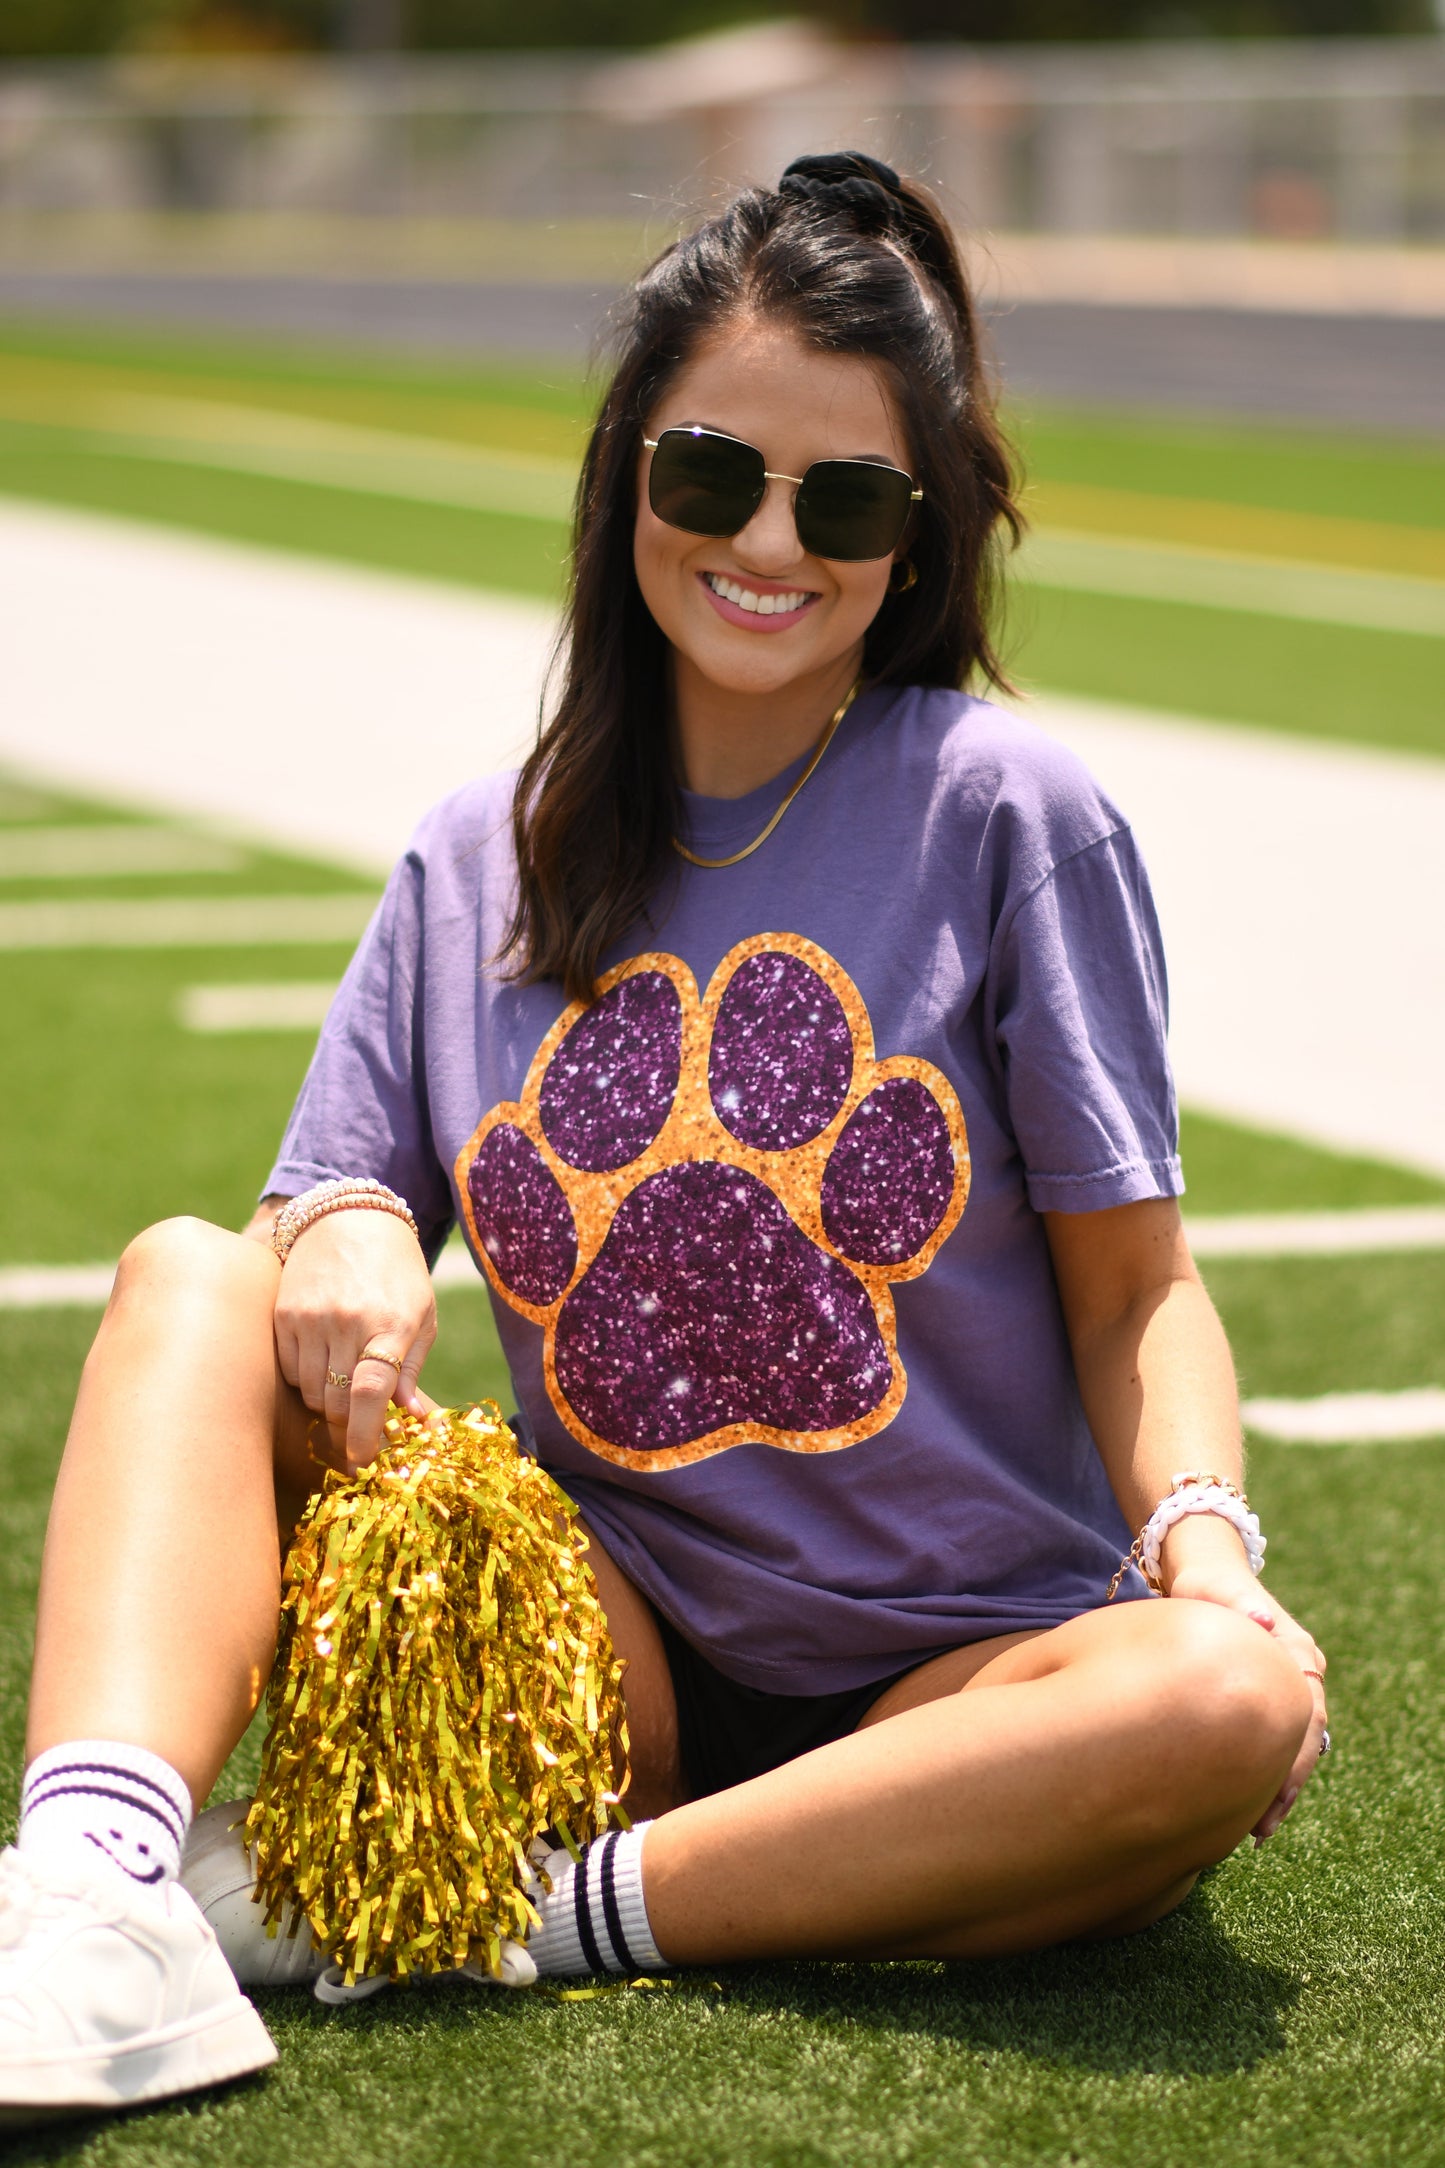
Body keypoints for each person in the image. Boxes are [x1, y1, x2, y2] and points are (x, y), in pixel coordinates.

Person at [0, 151, 1328, 2121]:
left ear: (921, 533)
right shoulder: (484, 852)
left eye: (847, 499)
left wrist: (1203, 1547)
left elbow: (1142, 1291)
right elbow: (307, 1230)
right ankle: (96, 1901)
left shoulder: (1006, 810)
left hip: (960, 1692)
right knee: (190, 1274)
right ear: (630, 469)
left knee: (1226, 1696)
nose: (769, 541)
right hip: (590, 1656)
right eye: (714, 473)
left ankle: (536, 1912)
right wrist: (348, 1219)